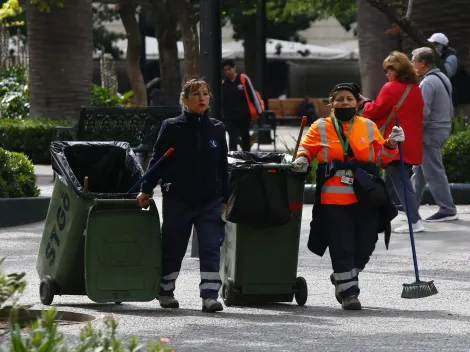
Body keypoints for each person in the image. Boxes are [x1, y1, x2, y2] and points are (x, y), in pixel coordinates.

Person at [292, 83, 404, 310]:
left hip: (366, 198)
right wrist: (302, 158)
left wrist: (391, 143)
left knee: (366, 244)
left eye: (349, 99)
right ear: (331, 104)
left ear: (357, 103)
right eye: (339, 99)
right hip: (333, 201)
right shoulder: (320, 126)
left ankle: (342, 278)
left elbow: (381, 157)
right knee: (341, 245)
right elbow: (306, 148)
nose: (344, 103)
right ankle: (349, 293)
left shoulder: (368, 126)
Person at [136, 78, 229, 313]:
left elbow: (222, 168)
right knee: (173, 246)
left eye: (205, 94)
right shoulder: (171, 127)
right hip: (177, 199)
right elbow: (157, 161)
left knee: (210, 246)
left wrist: (225, 198)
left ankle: (209, 296)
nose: (202, 98)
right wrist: (146, 189)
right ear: (184, 100)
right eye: (196, 94)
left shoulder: (217, 129)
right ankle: (165, 291)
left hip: (210, 201)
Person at [361, 51, 425, 233]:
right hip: (410, 144)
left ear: (395, 69)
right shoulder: (415, 89)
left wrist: (364, 105)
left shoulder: (390, 88)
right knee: (387, 184)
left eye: (387, 69)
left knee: (402, 185)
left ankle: (414, 221)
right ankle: (379, 218)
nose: (385, 73)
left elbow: (375, 111)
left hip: (394, 144)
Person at [411, 47, 458, 222]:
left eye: (414, 60)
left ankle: (447, 209)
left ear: (422, 63)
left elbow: (423, 111)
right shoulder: (442, 77)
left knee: (433, 171)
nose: (412, 64)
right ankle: (411, 203)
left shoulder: (428, 82)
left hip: (430, 132)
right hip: (440, 128)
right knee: (420, 170)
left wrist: (414, 131)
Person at [221, 59, 263, 151]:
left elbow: (252, 94)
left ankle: (246, 156)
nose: (227, 72)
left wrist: (259, 111)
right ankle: (233, 158)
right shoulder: (224, 84)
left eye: (229, 69)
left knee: (245, 137)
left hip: (244, 115)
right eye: (225, 70)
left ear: (234, 68)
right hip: (230, 117)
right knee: (232, 137)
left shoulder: (243, 79)